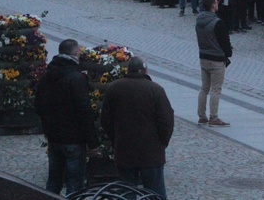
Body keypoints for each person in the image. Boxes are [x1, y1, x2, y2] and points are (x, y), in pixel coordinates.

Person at [100, 56, 175, 199]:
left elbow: (105, 120)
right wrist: (162, 143)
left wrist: (116, 139)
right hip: (151, 152)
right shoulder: (156, 90)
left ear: (128, 70)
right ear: (145, 70)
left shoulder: (114, 88)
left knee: (127, 192)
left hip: (124, 150)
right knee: (155, 192)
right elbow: (166, 121)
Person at [34, 39, 99, 195]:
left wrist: (48, 128)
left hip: (54, 137)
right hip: (74, 139)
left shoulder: (46, 76)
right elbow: (84, 112)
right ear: (76, 53)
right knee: (75, 185)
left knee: (53, 181)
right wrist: (93, 142)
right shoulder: (76, 78)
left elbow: (38, 105)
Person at [195, 0, 233, 127]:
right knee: (216, 89)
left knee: (204, 88)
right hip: (216, 59)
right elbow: (224, 42)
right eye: (216, 2)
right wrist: (228, 53)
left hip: (203, 57)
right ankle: (214, 117)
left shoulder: (199, 21)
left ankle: (202, 115)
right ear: (212, 5)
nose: (218, 4)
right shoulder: (217, 23)